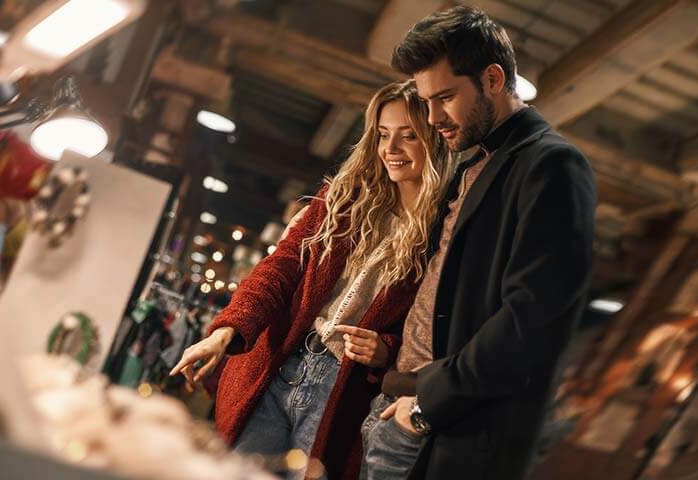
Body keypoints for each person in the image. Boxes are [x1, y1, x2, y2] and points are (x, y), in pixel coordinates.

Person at [170, 80, 451, 479]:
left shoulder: (441, 234)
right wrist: (223, 333)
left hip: (340, 389)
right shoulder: (341, 200)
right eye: (383, 135)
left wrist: (386, 350)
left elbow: (428, 327)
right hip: (279, 363)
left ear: (435, 142)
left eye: (409, 136)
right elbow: (280, 268)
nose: (391, 149)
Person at [360, 6, 597, 480]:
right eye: (427, 100)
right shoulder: (472, 166)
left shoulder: (552, 166)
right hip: (395, 409)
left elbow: (532, 322)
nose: (433, 117)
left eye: (445, 97)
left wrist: (427, 408)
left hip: (444, 431)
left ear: (492, 78)